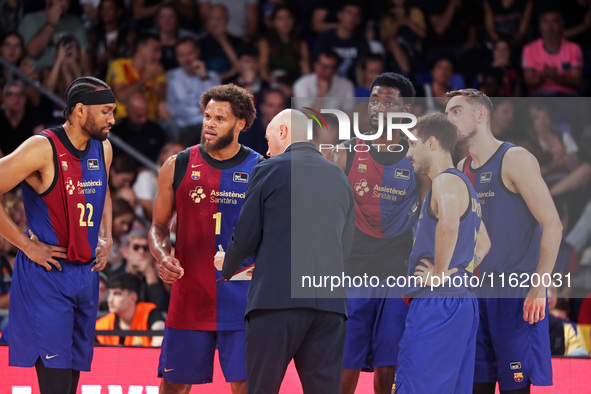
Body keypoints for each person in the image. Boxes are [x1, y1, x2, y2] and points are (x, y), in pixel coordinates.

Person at [215, 109, 355, 394]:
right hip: (329, 307)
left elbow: (245, 236)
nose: (267, 150)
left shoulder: (268, 169)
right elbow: (347, 246)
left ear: (282, 132)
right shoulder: (340, 177)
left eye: (268, 140)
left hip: (275, 304)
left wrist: (226, 264)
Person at [445, 89, 562, 393]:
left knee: (515, 388)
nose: (448, 120)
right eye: (446, 113)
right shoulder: (459, 170)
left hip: (515, 295)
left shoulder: (515, 158)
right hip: (474, 296)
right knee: (475, 386)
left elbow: (552, 223)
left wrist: (540, 284)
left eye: (455, 111)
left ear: (480, 115)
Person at [5, 76, 114, 394]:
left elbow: (103, 193)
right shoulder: (41, 148)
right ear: (80, 110)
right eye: (106, 111)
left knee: (71, 382)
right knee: (55, 384)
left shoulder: (103, 148)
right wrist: (25, 245)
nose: (112, 119)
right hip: (47, 274)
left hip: (85, 274)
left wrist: (105, 237)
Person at [149, 84, 261, 394]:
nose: (209, 124)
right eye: (207, 116)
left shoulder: (261, 169)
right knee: (172, 385)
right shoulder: (177, 164)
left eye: (220, 118)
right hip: (190, 296)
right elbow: (158, 227)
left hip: (243, 299)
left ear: (240, 123)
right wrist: (163, 256)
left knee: (247, 385)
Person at [326, 72, 428, 394]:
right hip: (352, 272)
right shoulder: (343, 152)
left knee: (389, 362)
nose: (379, 107)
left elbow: (428, 216)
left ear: (407, 110)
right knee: (346, 362)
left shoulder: (419, 158)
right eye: (374, 99)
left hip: (399, 271)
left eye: (389, 101)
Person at [394, 113, 490, 393]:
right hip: (461, 300)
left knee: (418, 385)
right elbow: (484, 244)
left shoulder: (445, 182)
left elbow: (448, 223)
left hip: (439, 302)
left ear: (431, 143)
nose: (409, 153)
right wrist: (457, 274)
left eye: (413, 145)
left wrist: (439, 274)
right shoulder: (466, 187)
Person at [166, 37, 221, 147]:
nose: (187, 59)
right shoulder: (171, 77)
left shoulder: (212, 77)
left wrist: (204, 77)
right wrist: (200, 110)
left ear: (197, 52)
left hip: (210, 126)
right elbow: (175, 110)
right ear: (177, 57)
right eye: (182, 55)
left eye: (190, 53)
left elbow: (217, 104)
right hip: (184, 127)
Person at [106, 33, 169, 122]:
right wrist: (145, 78)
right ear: (140, 48)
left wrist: (161, 98)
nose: (159, 55)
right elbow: (122, 96)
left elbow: (161, 93)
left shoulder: (156, 68)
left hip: (149, 122)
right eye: (155, 50)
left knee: (169, 124)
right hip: (123, 121)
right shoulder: (118, 65)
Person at [522, 9, 583, 96]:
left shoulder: (574, 48)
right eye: (545, 22)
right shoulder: (529, 49)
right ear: (539, 27)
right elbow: (529, 83)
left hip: (566, 95)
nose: (549, 27)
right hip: (540, 95)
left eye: (554, 21)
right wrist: (543, 75)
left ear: (562, 26)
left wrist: (556, 77)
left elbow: (577, 82)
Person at [96, 273, 165, 347]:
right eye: (110, 294)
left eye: (117, 294)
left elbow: (159, 329)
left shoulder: (148, 313)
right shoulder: (102, 325)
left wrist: (154, 349)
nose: (110, 300)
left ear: (133, 298)